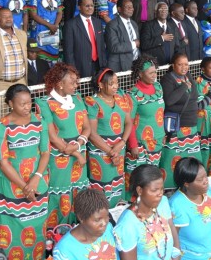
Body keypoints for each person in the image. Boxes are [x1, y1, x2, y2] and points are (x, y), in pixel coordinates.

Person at [0, 84, 50, 257]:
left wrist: (35, 179)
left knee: (38, 228)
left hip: (38, 182)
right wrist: (25, 186)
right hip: (10, 185)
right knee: (11, 231)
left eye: (29, 103)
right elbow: (3, 162)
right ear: (10, 103)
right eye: (21, 104)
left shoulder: (39, 121)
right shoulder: (1, 126)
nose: (27, 107)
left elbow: (45, 153)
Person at [36, 63, 91, 226]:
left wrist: (79, 143)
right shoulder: (44, 103)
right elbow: (52, 136)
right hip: (60, 158)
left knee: (78, 192)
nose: (76, 85)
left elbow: (87, 127)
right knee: (60, 194)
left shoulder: (78, 99)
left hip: (78, 151)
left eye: (76, 81)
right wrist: (76, 152)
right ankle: (57, 232)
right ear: (60, 84)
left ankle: (77, 226)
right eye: (72, 82)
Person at [85, 68, 133, 207]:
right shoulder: (92, 102)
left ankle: (117, 213)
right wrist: (111, 151)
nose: (115, 86)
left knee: (117, 182)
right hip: (101, 152)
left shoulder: (121, 98)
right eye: (111, 83)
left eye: (116, 83)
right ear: (100, 85)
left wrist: (121, 143)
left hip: (119, 148)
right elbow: (92, 133)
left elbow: (129, 122)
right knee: (102, 185)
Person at [113, 164, 180, 259]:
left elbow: (172, 230)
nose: (160, 194)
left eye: (162, 189)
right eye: (155, 190)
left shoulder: (163, 202)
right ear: (140, 190)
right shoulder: (127, 225)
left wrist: (176, 256)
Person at [160, 53, 200, 188]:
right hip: (178, 126)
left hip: (191, 126)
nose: (184, 67)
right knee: (174, 159)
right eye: (180, 64)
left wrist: (186, 87)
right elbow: (169, 101)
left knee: (190, 158)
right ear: (173, 65)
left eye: (186, 64)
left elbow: (195, 95)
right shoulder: (167, 79)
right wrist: (183, 87)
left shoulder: (187, 76)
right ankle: (170, 187)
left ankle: (189, 184)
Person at [169, 157, 211, 260]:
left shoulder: (208, 192)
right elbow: (173, 243)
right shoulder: (177, 205)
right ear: (186, 184)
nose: (205, 181)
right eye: (200, 179)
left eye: (205, 176)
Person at [125, 56, 165, 187]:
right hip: (141, 143)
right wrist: (133, 145)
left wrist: (163, 133)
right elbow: (129, 121)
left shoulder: (158, 87)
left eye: (155, 72)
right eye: (151, 73)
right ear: (140, 74)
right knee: (140, 178)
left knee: (153, 176)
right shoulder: (133, 94)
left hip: (157, 140)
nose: (155, 75)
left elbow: (160, 112)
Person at [53, 189, 118, 259]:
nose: (105, 223)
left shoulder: (108, 228)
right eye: (97, 220)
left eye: (107, 216)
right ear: (81, 218)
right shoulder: (64, 250)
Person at [63, 0, 107, 78]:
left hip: (99, 65)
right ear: (79, 7)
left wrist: (103, 64)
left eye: (92, 5)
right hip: (81, 67)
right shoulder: (71, 24)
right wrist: (72, 71)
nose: (90, 8)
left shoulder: (97, 22)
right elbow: (68, 52)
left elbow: (101, 46)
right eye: (87, 6)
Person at [27, 0, 62, 64]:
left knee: (53, 57)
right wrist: (49, 25)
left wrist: (55, 25)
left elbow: (60, 13)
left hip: (53, 30)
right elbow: (33, 15)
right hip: (40, 30)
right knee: (39, 58)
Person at [105, 0, 140, 72]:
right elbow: (114, 47)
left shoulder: (134, 24)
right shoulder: (112, 25)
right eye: (128, 7)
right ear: (119, 9)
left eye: (132, 7)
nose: (131, 9)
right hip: (120, 65)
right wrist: (134, 44)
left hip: (136, 63)